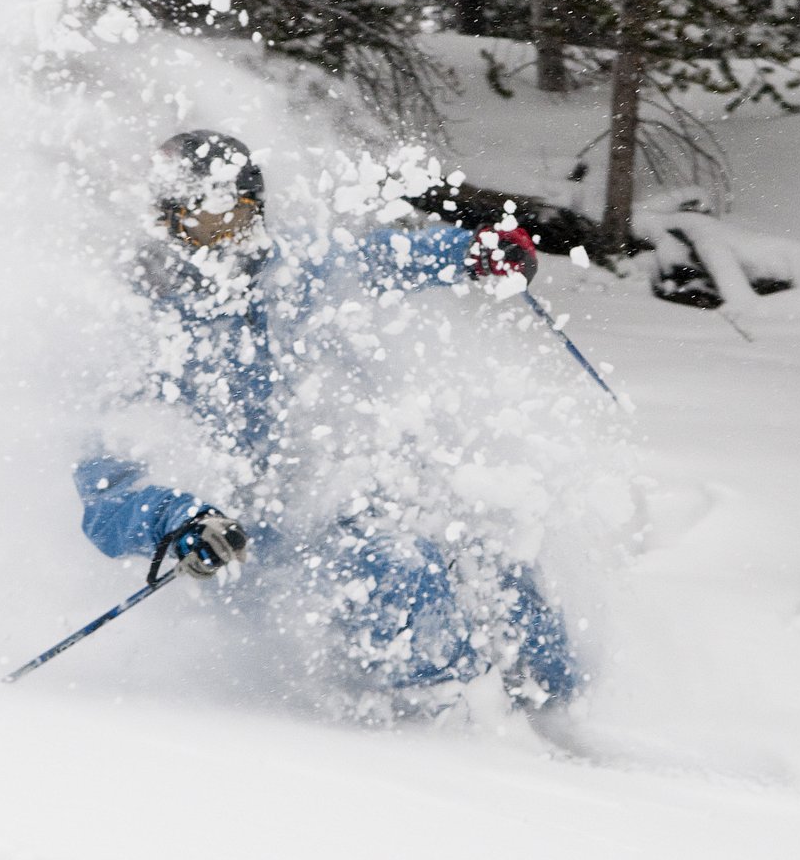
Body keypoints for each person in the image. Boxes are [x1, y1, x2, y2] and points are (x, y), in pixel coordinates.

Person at [74, 130, 577, 718]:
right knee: (399, 568)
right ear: (168, 219)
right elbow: (105, 495)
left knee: (490, 542)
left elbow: (376, 256)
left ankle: (558, 706)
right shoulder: (138, 327)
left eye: (238, 212)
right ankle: (443, 728)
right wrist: (178, 520)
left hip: (335, 491)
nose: (227, 232)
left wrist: (469, 253)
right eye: (204, 215)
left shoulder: (290, 269)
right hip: (254, 540)